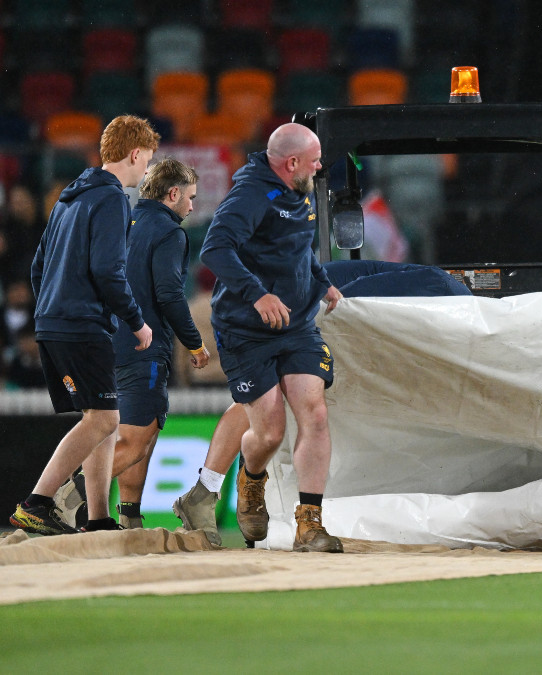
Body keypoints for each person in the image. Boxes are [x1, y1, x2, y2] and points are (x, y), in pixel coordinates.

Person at [171, 259, 470, 545]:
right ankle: (221, 492)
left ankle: (211, 492)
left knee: (269, 404)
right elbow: (341, 300)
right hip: (296, 303)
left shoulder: (440, 290)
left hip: (294, 300)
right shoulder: (440, 290)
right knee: (264, 402)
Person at [181, 123, 344, 553]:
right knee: (269, 433)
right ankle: (251, 480)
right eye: (315, 159)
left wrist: (321, 281)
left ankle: (310, 524)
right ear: (291, 163)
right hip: (247, 330)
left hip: (297, 326)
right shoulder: (251, 194)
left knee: (315, 413)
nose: (320, 165)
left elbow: (298, 246)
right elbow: (214, 249)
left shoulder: (299, 185)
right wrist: (258, 294)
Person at [8, 115, 159, 535]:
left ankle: (98, 517)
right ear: (134, 153)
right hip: (81, 324)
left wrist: (55, 305)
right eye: (147, 159)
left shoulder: (69, 197)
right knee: (104, 420)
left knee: (102, 414)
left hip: (55, 321)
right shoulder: (111, 199)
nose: (147, 169)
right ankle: (36, 503)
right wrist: (136, 321)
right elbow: (109, 271)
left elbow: (40, 266)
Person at [53, 159, 213, 530]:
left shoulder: (119, 223)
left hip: (100, 343)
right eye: (189, 197)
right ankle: (67, 496)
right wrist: (194, 344)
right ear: (172, 194)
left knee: (122, 434)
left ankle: (129, 517)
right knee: (137, 439)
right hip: (142, 349)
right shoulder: (169, 233)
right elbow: (170, 296)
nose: (191, 206)